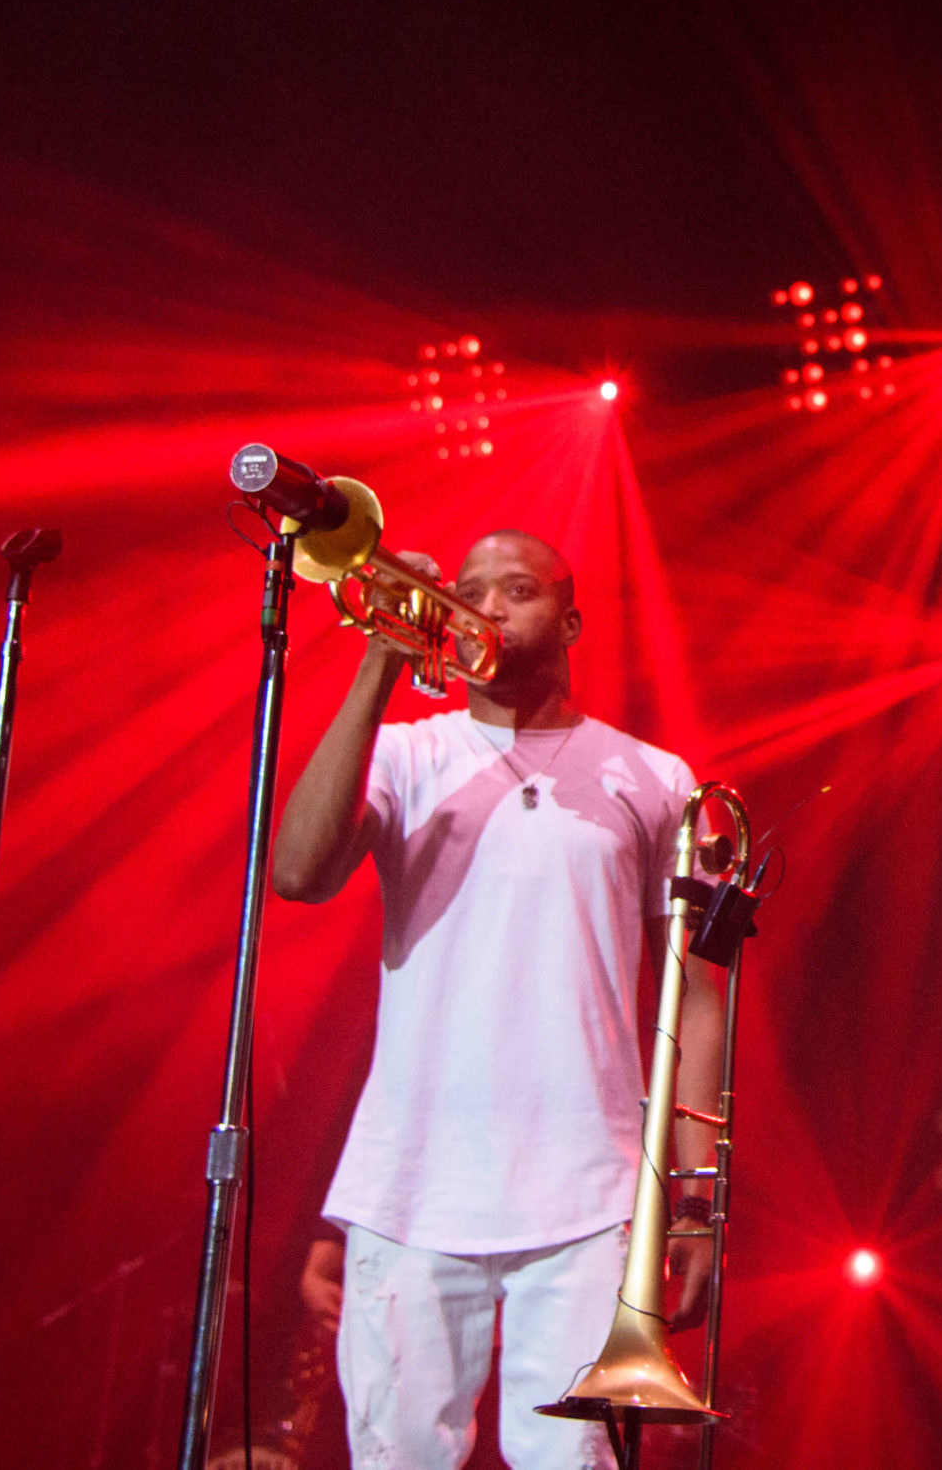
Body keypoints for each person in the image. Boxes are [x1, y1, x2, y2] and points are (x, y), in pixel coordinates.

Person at [272, 529, 715, 1470]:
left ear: (571, 617)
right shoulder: (405, 755)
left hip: (593, 1191)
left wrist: (695, 1193)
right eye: (470, 588)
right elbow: (299, 870)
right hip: (411, 1183)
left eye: (517, 587)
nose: (487, 604)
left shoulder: (656, 777)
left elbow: (699, 998)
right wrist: (380, 661)